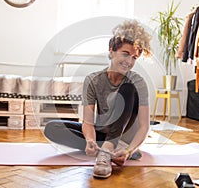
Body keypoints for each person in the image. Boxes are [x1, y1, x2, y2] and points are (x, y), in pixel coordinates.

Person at [44, 19, 152, 178]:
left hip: (125, 136)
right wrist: (89, 140)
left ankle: (107, 152)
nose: (129, 61)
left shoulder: (138, 82)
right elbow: (87, 122)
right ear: (111, 51)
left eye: (134, 57)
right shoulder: (93, 80)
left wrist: (129, 151)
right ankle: (105, 149)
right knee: (52, 128)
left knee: (129, 88)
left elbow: (144, 126)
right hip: (103, 131)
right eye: (125, 54)